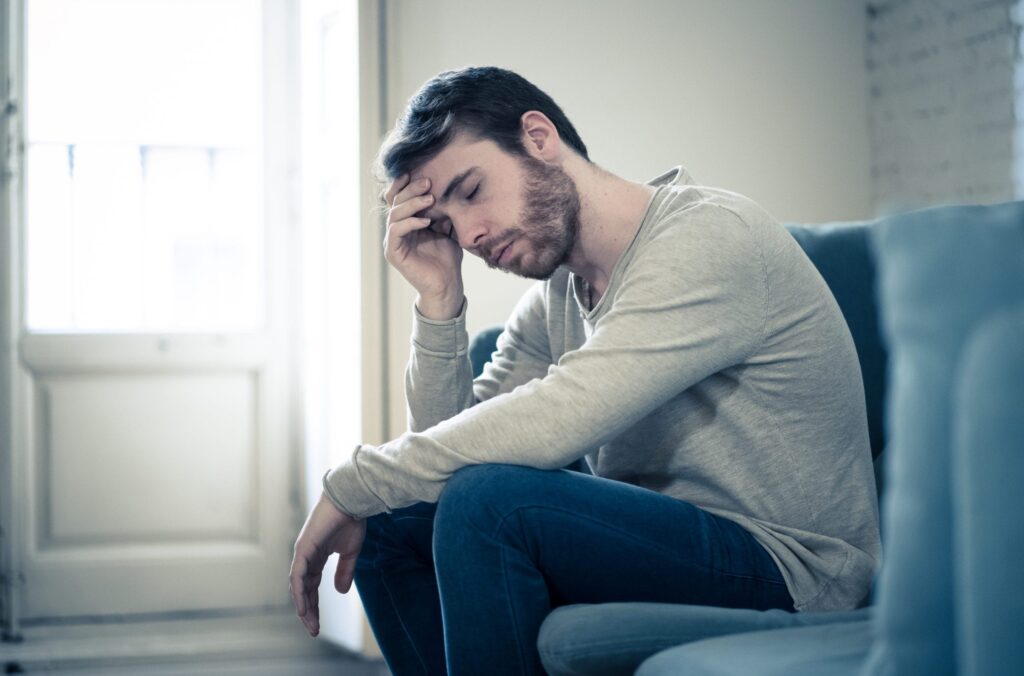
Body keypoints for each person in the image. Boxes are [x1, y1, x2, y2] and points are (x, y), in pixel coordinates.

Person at [289, 66, 880, 675]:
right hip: (662, 548)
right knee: (396, 518)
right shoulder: (558, 297)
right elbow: (449, 464)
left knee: (489, 503)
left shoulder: (707, 239)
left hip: (791, 567)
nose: (470, 234)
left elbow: (553, 422)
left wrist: (353, 479)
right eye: (447, 224)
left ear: (538, 138)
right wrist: (439, 300)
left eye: (470, 191)